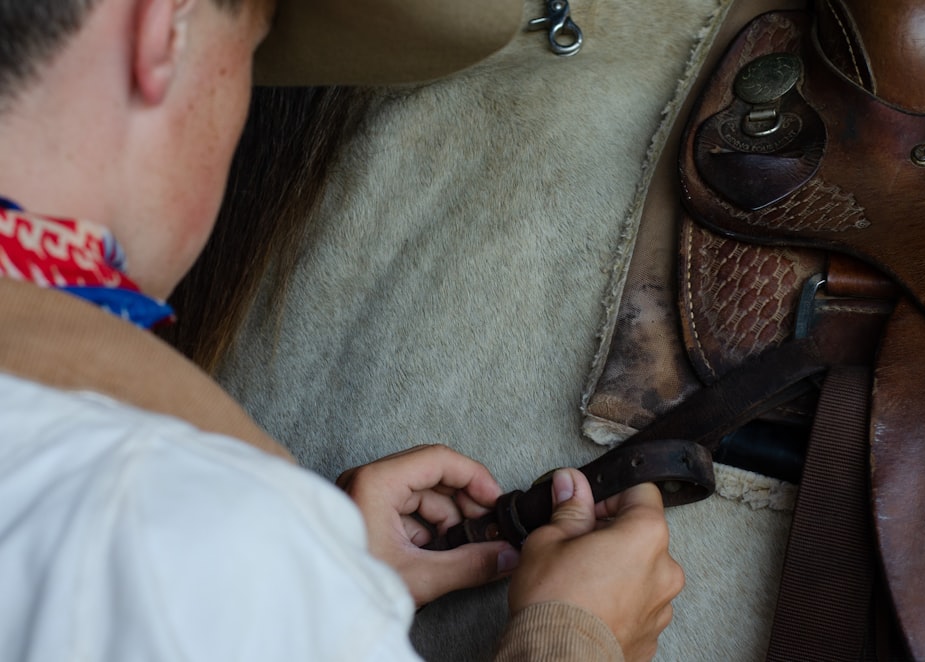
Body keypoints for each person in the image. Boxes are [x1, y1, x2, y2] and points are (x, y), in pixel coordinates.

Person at [0, 0, 684, 660]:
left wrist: (308, 576)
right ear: (165, 28)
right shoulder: (166, 518)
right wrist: (580, 639)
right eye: (251, 49)